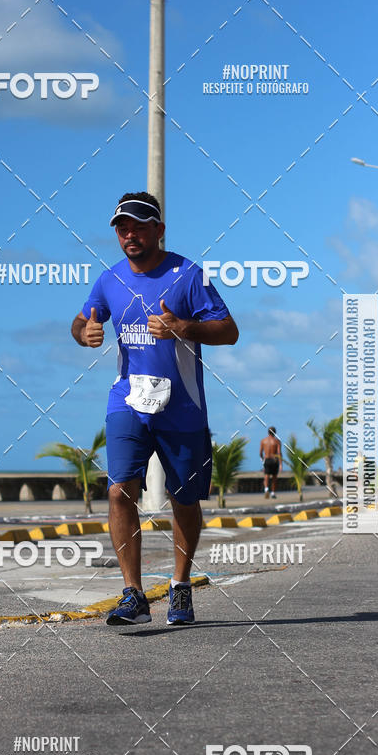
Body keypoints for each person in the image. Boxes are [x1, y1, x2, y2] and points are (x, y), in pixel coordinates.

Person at [71, 192, 238, 626]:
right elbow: (82, 319)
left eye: (140, 226)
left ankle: (181, 588)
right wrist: (85, 330)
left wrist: (185, 326)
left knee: (184, 500)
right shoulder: (109, 279)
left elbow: (229, 330)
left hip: (182, 406)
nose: (130, 234)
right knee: (119, 489)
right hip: (127, 400)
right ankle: (134, 595)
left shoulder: (188, 275)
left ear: (159, 230)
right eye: (123, 227)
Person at [260, 426, 282, 498]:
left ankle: (266, 489)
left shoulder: (263, 441)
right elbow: (279, 453)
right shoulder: (277, 441)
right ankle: (273, 493)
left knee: (266, 475)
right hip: (274, 460)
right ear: (275, 433)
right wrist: (281, 464)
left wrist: (262, 459)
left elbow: (260, 452)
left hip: (267, 459)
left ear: (268, 432)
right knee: (274, 477)